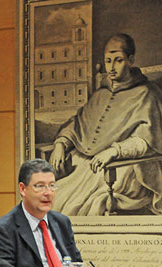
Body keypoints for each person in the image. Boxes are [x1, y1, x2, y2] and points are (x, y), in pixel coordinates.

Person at [49, 33, 162, 216]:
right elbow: (78, 124)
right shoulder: (100, 95)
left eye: (118, 60)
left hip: (125, 167)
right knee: (54, 198)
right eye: (108, 61)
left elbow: (147, 141)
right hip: (88, 165)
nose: (112, 67)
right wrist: (61, 143)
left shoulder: (147, 94)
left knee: (77, 204)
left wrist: (114, 151)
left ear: (131, 60)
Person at [0, 159, 86, 267]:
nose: (48, 193)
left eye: (52, 186)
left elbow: (76, 263)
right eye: (40, 186)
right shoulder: (3, 229)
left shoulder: (62, 222)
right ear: (23, 189)